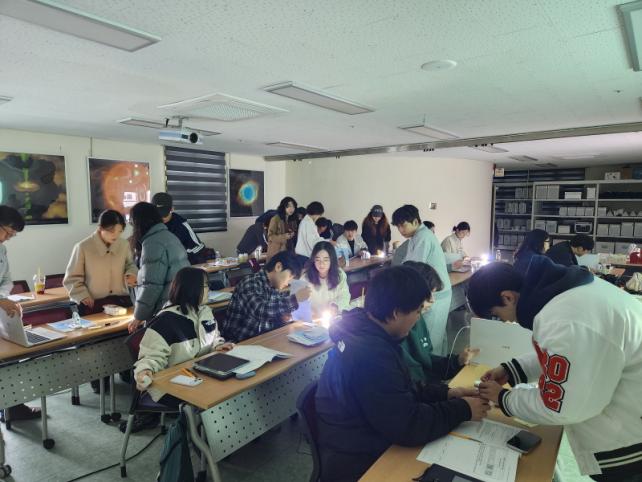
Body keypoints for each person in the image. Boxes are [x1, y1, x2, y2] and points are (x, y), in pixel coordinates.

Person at [468, 258, 642, 481]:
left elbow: (561, 407)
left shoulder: (565, 319)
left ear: (507, 297)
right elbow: (565, 355)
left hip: (629, 444)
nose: (504, 322)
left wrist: (504, 398)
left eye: (497, 315)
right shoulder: (564, 295)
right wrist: (511, 370)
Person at [315, 266, 489, 482]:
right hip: (359, 459)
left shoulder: (365, 332)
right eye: (417, 312)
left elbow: (400, 388)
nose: (418, 318)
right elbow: (408, 425)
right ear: (396, 313)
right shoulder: (370, 354)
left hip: (365, 435)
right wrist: (463, 409)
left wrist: (448, 393)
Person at [129, 267, 234, 432]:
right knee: (215, 397)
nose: (209, 289)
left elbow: (213, 337)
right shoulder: (166, 321)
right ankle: (205, 439)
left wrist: (218, 345)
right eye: (206, 285)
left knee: (230, 388)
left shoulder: (205, 311)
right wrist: (144, 371)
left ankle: (219, 436)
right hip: (170, 385)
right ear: (193, 289)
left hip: (200, 375)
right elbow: (150, 357)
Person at [401, 261, 477, 386]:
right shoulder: (395, 334)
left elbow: (427, 361)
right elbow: (413, 385)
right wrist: (447, 394)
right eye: (428, 294)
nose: (432, 300)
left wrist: (457, 361)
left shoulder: (418, 320)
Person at [391, 204, 452, 356]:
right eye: (398, 227)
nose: (401, 230)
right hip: (435, 291)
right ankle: (441, 365)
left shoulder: (423, 237)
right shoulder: (417, 236)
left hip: (435, 294)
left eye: (403, 225)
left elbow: (413, 269)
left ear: (415, 221)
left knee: (431, 338)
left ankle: (434, 368)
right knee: (437, 334)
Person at [0, 206, 41, 422]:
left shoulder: (2, 250)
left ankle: (13, 407)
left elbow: (6, 280)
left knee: (11, 356)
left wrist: (4, 299)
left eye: (12, 235)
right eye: (7, 232)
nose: (7, 238)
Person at [128, 202, 190, 333]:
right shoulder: (169, 236)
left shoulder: (152, 243)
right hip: (179, 305)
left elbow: (152, 285)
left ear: (139, 222)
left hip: (164, 311)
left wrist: (139, 316)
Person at [221, 251, 310, 342]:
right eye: (290, 276)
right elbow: (261, 311)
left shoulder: (273, 286)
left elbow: (270, 314)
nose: (288, 283)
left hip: (261, 340)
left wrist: (281, 318)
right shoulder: (251, 283)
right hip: (238, 343)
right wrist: (295, 299)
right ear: (278, 267)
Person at [64, 210, 137, 316]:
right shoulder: (83, 247)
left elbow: (130, 264)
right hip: (92, 303)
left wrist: (131, 273)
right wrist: (82, 295)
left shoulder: (124, 244)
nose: (116, 235)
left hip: (121, 301)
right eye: (112, 231)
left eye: (120, 231)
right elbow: (72, 278)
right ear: (100, 228)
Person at [152, 192, 216, 265]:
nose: (162, 218)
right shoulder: (149, 225)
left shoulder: (181, 224)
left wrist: (181, 255)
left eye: (164, 214)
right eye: (158, 215)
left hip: (179, 265)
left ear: (172, 209)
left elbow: (199, 247)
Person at [301, 241, 350, 318]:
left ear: (332, 260)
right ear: (313, 260)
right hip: (313, 319)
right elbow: (299, 303)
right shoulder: (305, 278)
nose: (321, 264)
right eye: (318, 260)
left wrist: (335, 306)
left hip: (334, 317)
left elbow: (345, 295)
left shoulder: (339, 275)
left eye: (326, 260)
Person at [266, 196, 298, 261]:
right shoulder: (275, 219)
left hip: (289, 250)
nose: (291, 209)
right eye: (288, 206)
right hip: (276, 251)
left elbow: (294, 233)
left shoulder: (293, 220)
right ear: (283, 207)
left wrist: (293, 234)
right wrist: (284, 236)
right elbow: (270, 237)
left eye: (293, 207)